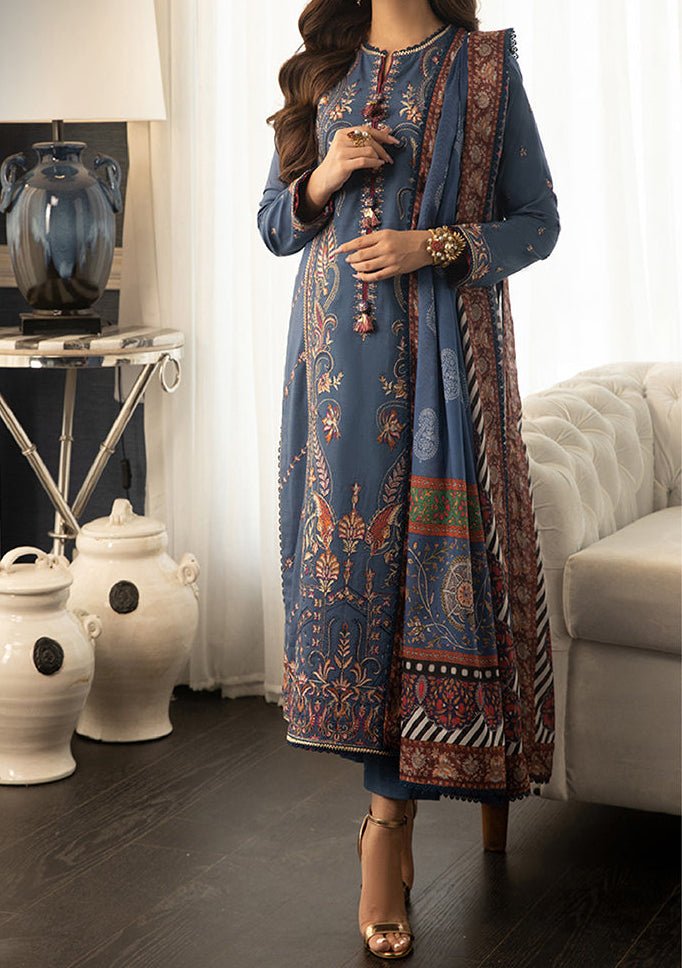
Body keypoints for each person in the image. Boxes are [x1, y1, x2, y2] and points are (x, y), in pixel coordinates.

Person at [256, 0, 560, 959]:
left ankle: (388, 831)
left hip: (442, 367)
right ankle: (384, 823)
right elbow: (273, 227)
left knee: (429, 589)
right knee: (351, 586)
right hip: (336, 375)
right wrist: (325, 175)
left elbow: (538, 223)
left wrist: (430, 246)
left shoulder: (482, 67)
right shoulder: (321, 71)